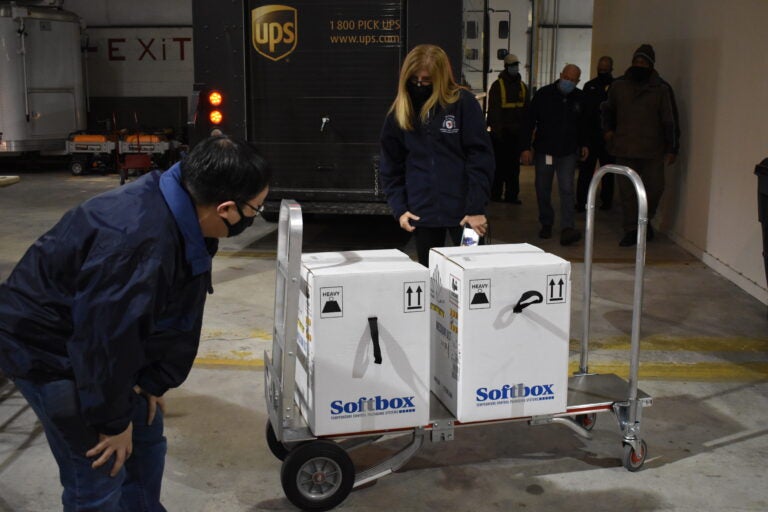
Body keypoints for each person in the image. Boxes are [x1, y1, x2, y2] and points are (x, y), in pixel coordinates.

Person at [0, 135, 270, 511]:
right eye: (255, 209)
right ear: (225, 208)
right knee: (100, 470)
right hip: (48, 350)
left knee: (145, 436)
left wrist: (152, 378)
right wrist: (111, 423)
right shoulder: (139, 244)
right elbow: (104, 342)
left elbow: (160, 314)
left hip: (94, 344)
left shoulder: (182, 204)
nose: (255, 216)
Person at [379, 44, 494, 266]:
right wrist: (400, 209)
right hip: (423, 214)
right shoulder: (400, 111)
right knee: (431, 278)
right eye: (415, 80)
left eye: (427, 80)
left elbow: (480, 159)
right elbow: (390, 165)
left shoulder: (462, 103)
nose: (420, 85)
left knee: (474, 272)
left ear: (440, 77)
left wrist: (476, 208)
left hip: (466, 215)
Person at [601, 44, 679, 246]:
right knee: (627, 193)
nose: (639, 65)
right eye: (636, 61)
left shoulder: (661, 89)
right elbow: (607, 110)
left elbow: (670, 120)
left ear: (651, 65)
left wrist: (672, 148)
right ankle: (631, 229)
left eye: (643, 62)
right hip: (624, 148)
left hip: (652, 150)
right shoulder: (619, 86)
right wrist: (608, 132)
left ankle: (645, 222)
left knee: (655, 189)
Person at [521, 63, 588, 246]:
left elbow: (584, 125)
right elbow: (529, 121)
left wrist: (584, 145)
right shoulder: (544, 95)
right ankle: (546, 222)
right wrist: (526, 147)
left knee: (567, 189)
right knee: (543, 188)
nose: (569, 82)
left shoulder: (580, 98)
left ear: (578, 81)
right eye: (566, 78)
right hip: (545, 150)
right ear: (560, 75)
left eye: (573, 80)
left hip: (568, 152)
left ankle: (568, 226)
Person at [486, 52, 530, 204]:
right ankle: (496, 194)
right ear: (506, 67)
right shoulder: (498, 86)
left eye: (516, 65)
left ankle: (512, 195)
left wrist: (525, 134)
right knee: (499, 167)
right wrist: (498, 132)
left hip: (516, 135)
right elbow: (494, 111)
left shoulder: (523, 87)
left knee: (513, 168)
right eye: (512, 65)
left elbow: (527, 112)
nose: (514, 68)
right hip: (502, 134)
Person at [576, 56, 616, 212]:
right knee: (586, 171)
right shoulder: (590, 86)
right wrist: (583, 139)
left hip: (608, 138)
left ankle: (606, 202)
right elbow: (584, 115)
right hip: (591, 137)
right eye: (600, 69)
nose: (602, 71)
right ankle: (581, 202)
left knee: (608, 172)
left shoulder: (616, 87)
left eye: (605, 69)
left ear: (611, 69)